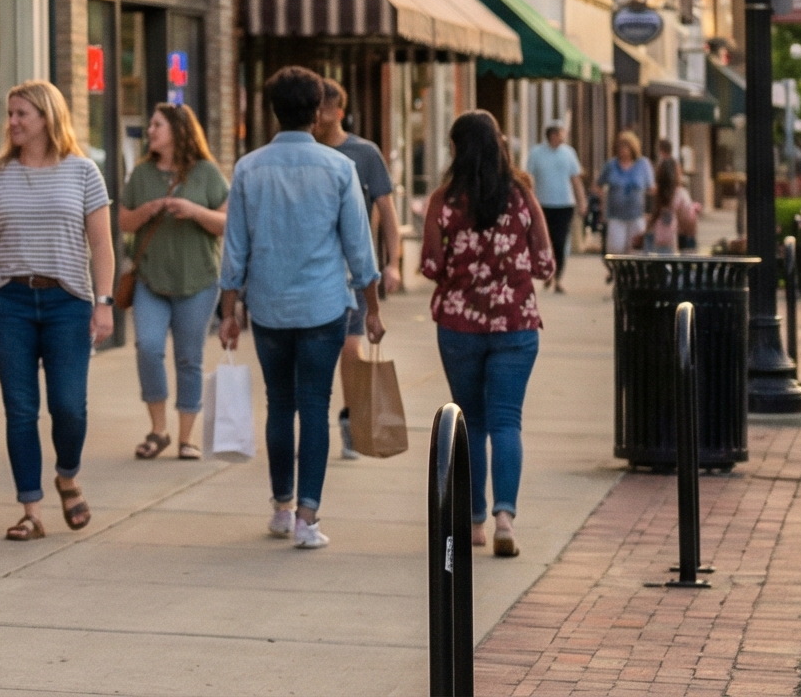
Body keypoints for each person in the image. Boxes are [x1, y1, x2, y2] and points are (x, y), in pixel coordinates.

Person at [220, 66, 383, 552]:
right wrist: (372, 309)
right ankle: (307, 519)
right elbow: (360, 248)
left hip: (268, 306)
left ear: (274, 111)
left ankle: (281, 505)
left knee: (279, 404)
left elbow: (234, 251)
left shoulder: (249, 168)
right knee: (315, 406)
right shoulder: (339, 169)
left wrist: (230, 311)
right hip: (324, 306)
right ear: (317, 113)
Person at [0, 81, 114, 543]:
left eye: (21, 113)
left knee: (69, 406)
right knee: (20, 409)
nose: (12, 123)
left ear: (47, 116)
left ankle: (67, 475)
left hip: (68, 301)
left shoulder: (83, 172)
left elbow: (102, 244)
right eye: (10, 114)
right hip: (9, 301)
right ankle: (31, 509)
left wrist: (103, 304)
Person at [420, 110, 555, 557]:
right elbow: (545, 264)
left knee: (471, 422)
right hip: (515, 324)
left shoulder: (443, 201)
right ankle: (504, 519)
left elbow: (430, 266)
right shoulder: (521, 197)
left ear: (456, 149)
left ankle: (474, 521)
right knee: (506, 421)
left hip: (459, 327)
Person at [117, 103, 228, 461]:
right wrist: (147, 211)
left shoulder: (207, 174)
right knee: (148, 347)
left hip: (199, 280)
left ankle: (186, 438)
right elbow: (124, 223)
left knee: (188, 358)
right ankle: (158, 430)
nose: (150, 131)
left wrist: (194, 211)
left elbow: (228, 222)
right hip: (151, 279)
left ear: (179, 130)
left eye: (157, 125)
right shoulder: (142, 174)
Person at [312, 79, 399, 460]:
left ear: (338, 112)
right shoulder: (305, 151)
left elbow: (388, 212)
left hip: (353, 268)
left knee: (350, 347)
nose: (317, 117)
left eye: (323, 109)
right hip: (313, 268)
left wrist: (393, 264)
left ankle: (350, 419)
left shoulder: (364, 154)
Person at [524, 123, 584, 295]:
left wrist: (582, 202)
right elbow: (529, 178)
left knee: (560, 241)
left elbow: (575, 179)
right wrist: (529, 201)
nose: (561, 138)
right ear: (550, 136)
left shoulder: (568, 153)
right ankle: (547, 272)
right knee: (545, 241)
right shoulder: (537, 153)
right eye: (558, 135)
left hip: (564, 204)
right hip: (543, 204)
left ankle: (558, 278)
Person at [597, 131, 654, 272]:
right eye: (620, 147)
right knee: (616, 248)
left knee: (635, 249)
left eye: (626, 147)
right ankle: (617, 274)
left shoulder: (642, 164)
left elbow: (651, 188)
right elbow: (597, 185)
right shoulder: (611, 165)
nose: (623, 151)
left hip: (636, 214)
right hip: (616, 214)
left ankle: (634, 276)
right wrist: (604, 200)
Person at [649, 150, 700, 255]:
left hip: (661, 239)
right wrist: (694, 209)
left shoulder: (658, 195)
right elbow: (688, 220)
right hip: (682, 239)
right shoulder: (681, 193)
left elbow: (652, 217)